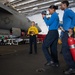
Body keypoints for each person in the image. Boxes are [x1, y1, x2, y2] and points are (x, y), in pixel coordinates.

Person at [60, 0, 75, 74]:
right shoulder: (65, 12)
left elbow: (74, 17)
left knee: (65, 50)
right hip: (66, 32)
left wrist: (71, 28)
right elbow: (66, 23)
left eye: (61, 5)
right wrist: (62, 26)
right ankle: (71, 66)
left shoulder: (68, 11)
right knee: (67, 50)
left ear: (64, 5)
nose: (60, 6)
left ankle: (72, 67)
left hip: (69, 32)